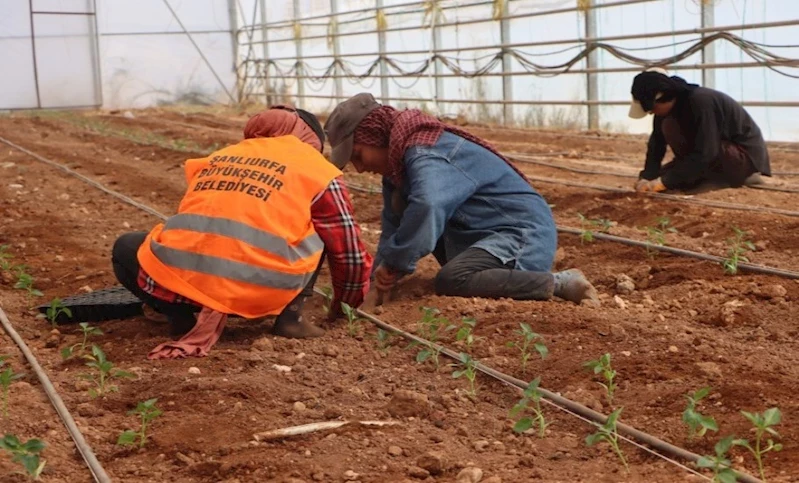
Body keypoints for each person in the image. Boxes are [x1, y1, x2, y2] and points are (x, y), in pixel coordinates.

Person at [111, 105, 373, 358]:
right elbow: (348, 251)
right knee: (322, 226)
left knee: (126, 246)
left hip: (186, 289)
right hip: (262, 293)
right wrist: (345, 307)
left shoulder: (221, 157)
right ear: (309, 140)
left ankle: (180, 317)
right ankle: (292, 318)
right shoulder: (317, 170)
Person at [323, 92, 598, 305]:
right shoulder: (397, 168)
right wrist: (376, 280)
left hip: (521, 235)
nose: (359, 168)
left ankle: (560, 283)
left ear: (375, 135)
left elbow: (428, 205)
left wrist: (395, 264)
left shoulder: (426, 153)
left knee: (453, 280)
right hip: (485, 236)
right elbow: (394, 226)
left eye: (358, 155)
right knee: (405, 209)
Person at [628, 67, 771, 193]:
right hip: (709, 155)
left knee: (671, 179)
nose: (651, 113)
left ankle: (736, 178)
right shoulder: (664, 111)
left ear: (663, 97)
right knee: (667, 176)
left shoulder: (701, 102)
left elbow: (706, 151)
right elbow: (656, 145)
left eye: (651, 109)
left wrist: (665, 182)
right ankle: (704, 178)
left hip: (741, 157)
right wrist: (648, 177)